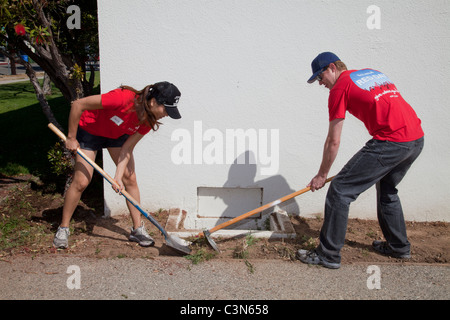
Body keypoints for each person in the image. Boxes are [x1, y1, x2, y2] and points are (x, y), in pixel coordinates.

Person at [297, 52, 424, 269]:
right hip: (415, 139)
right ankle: (398, 247)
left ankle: (327, 255)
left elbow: (333, 141)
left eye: (320, 77)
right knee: (387, 189)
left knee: (340, 190)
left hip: (391, 142)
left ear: (331, 68)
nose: (320, 83)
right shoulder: (371, 73)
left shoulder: (339, 88)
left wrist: (322, 175)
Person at [53, 81, 182, 249]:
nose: (166, 114)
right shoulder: (122, 99)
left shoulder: (148, 119)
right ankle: (63, 227)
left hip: (116, 135)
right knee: (81, 181)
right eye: (166, 109)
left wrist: (118, 177)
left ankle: (137, 230)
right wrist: (71, 137)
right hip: (90, 130)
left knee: (130, 178)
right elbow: (78, 104)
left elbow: (127, 148)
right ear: (153, 102)